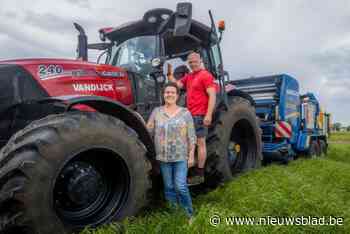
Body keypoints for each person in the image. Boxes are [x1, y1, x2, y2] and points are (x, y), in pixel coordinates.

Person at [146, 82, 196, 221]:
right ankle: (175, 214)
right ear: (163, 95)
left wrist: (191, 155)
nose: (169, 95)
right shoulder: (157, 112)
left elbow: (191, 136)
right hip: (163, 157)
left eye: (172, 92)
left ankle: (189, 215)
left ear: (177, 95)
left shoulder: (185, 113)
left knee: (180, 186)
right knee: (168, 187)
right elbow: (148, 129)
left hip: (181, 156)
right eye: (167, 92)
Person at [167, 52, 216, 185]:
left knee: (200, 143)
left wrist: (209, 114)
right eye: (190, 62)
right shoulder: (189, 76)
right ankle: (187, 172)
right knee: (189, 144)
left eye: (195, 61)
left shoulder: (206, 75)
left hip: (200, 115)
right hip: (189, 115)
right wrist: (169, 74)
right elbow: (177, 85)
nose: (193, 64)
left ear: (200, 60)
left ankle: (199, 174)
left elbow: (212, 95)